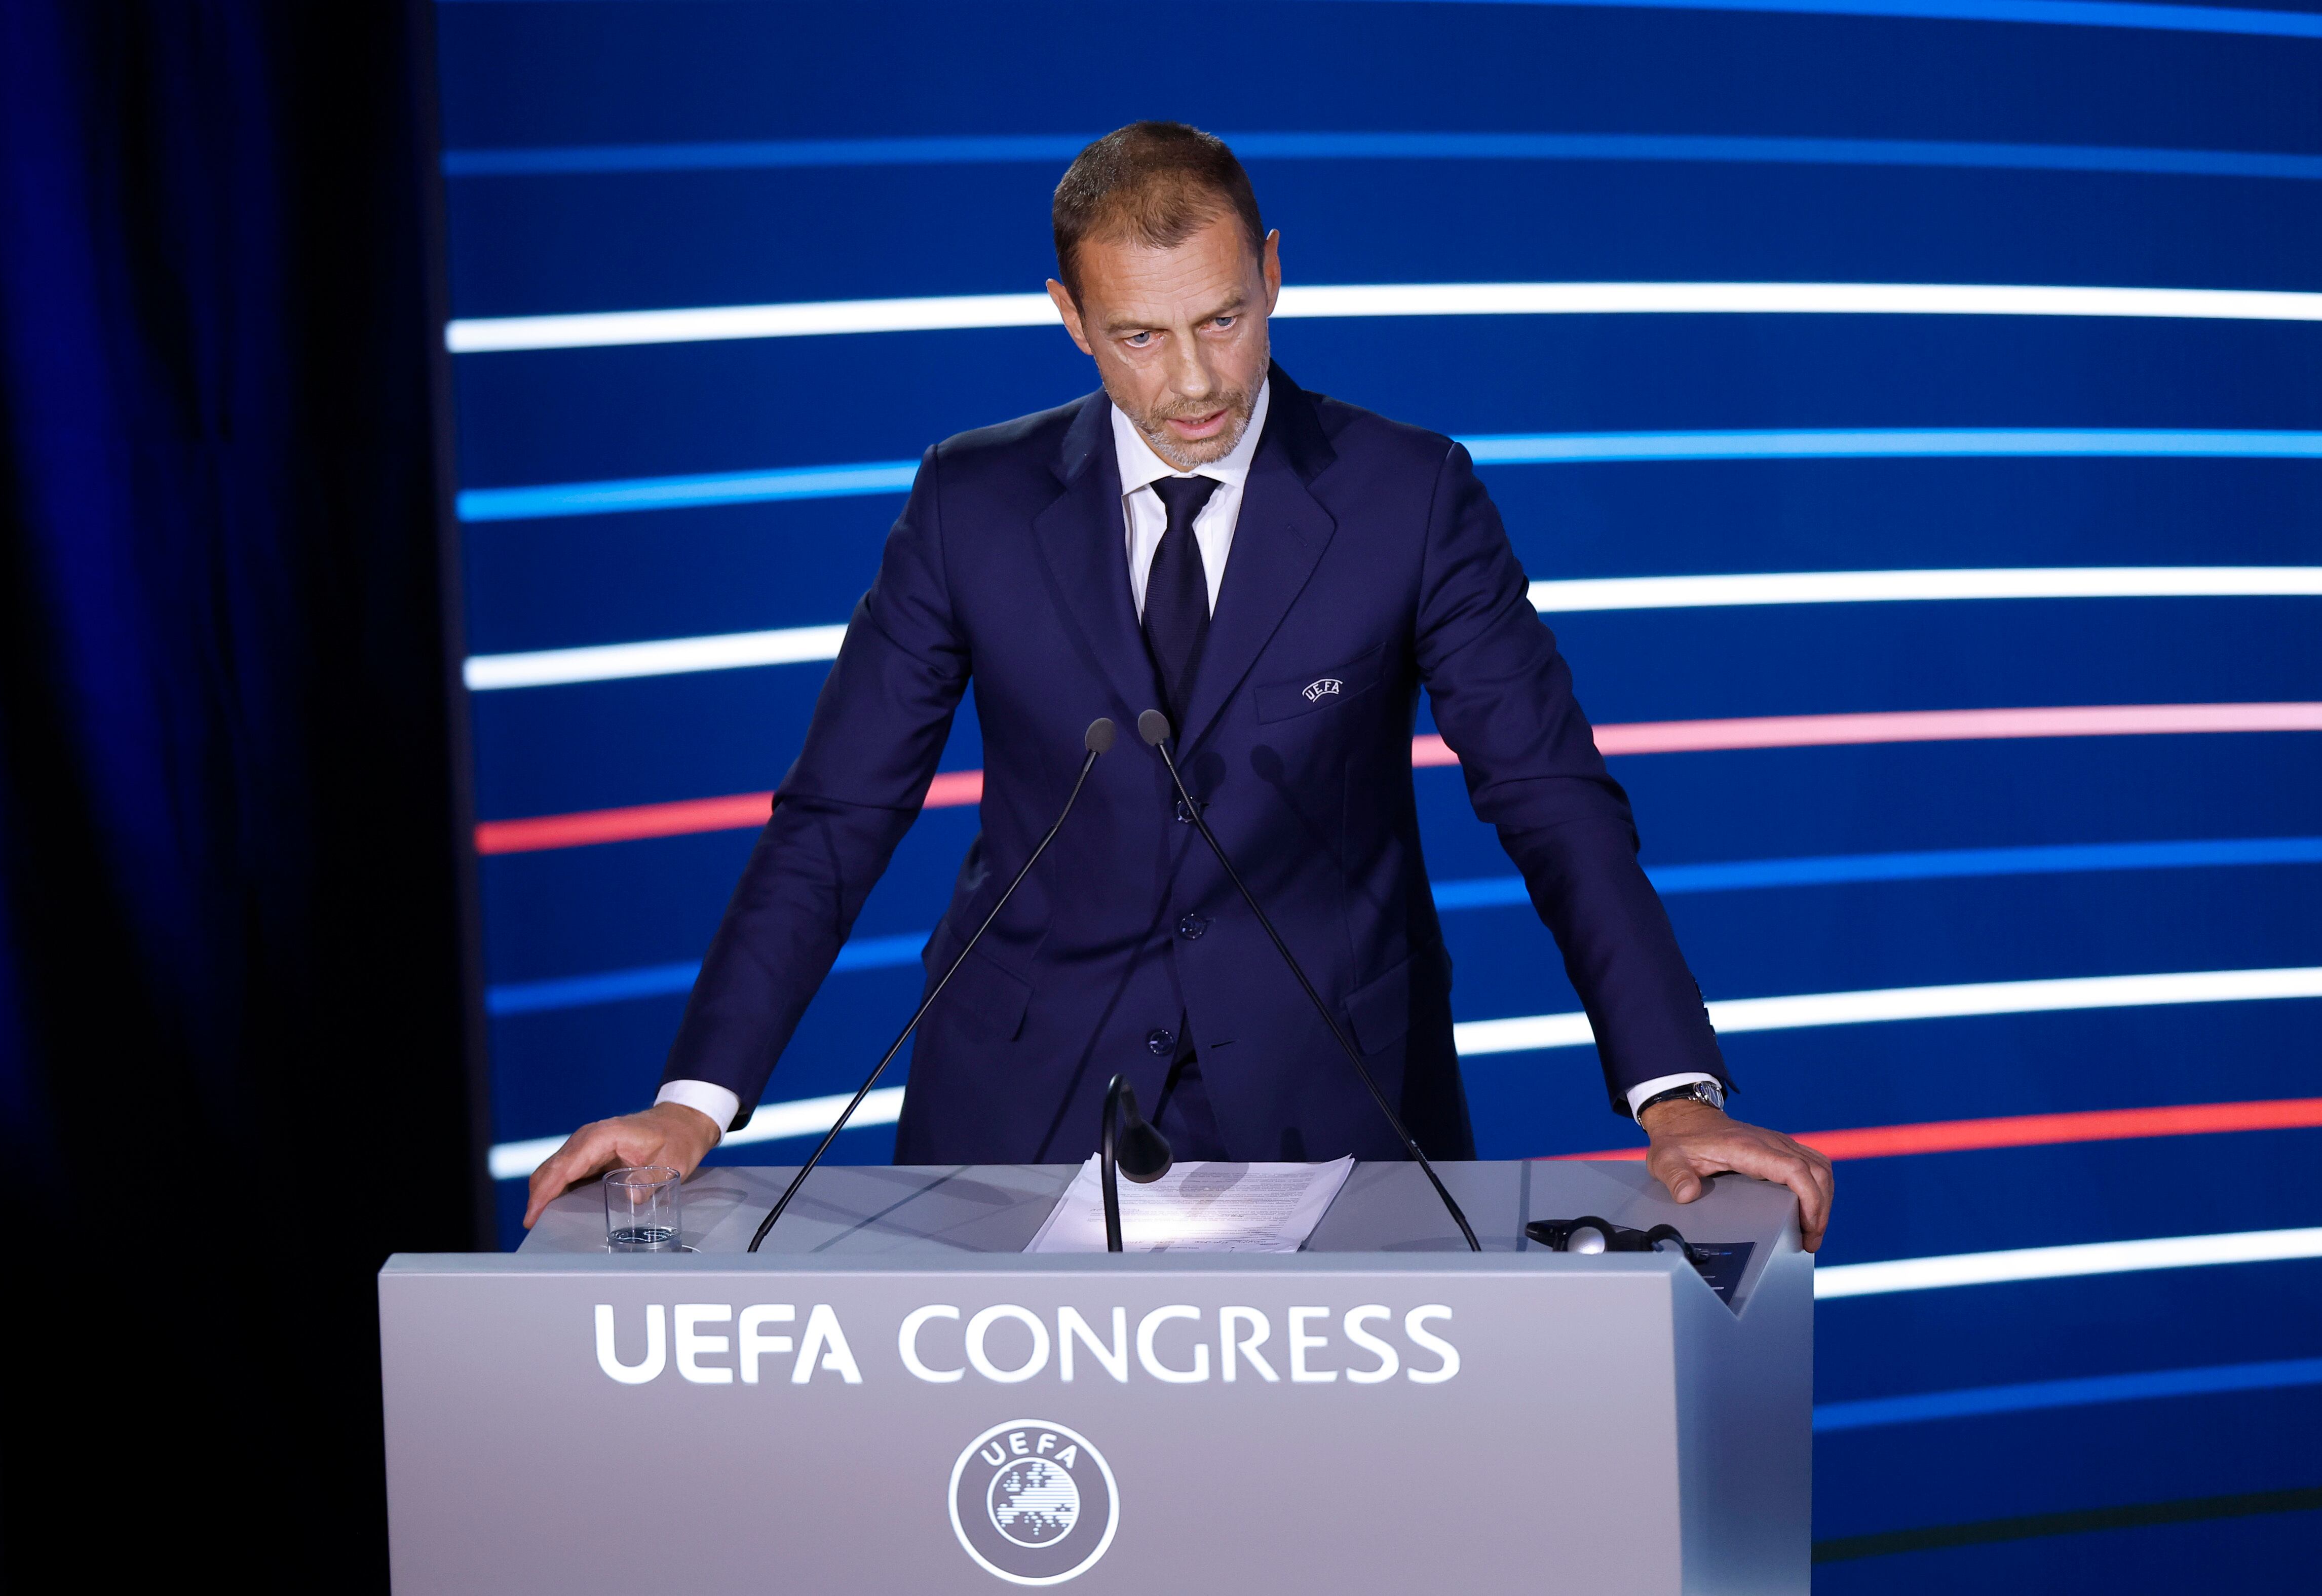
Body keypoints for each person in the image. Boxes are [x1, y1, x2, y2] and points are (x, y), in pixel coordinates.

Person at [525, 122, 1834, 1249]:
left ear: (1271, 273)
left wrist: (1677, 1092)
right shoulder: (968, 506)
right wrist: (694, 1100)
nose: (1194, 381)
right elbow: (836, 818)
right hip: (1018, 1108)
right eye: (1139, 338)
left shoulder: (1410, 497)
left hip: (1336, 1104)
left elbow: (1550, 798)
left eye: (1222, 318)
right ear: (1068, 319)